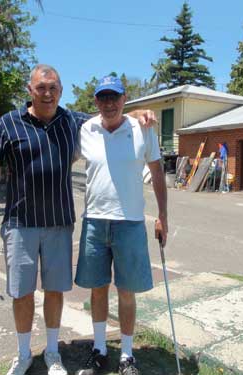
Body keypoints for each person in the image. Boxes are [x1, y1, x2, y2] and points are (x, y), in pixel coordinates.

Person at [0, 65, 156, 375]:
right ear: (29, 90)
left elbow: (111, 114)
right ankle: (22, 354)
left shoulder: (72, 121)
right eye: (41, 87)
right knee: (21, 293)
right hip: (20, 223)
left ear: (61, 91)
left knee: (55, 291)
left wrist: (142, 110)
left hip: (59, 223)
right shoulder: (8, 124)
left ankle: (52, 352)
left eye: (54, 88)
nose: (48, 93)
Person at [74, 76, 168, 375]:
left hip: (130, 223)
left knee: (126, 291)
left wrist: (163, 216)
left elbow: (157, 171)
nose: (109, 103)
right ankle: (100, 349)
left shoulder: (143, 128)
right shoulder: (86, 129)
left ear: (124, 98)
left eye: (114, 97)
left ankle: (127, 355)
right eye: (103, 97)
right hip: (95, 222)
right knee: (97, 290)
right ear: (96, 101)